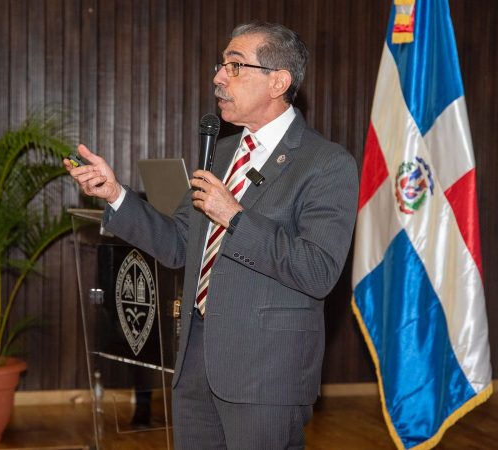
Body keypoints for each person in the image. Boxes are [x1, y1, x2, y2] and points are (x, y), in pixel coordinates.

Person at [65, 22, 358, 450]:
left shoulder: (326, 164)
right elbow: (179, 243)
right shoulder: (222, 152)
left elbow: (317, 271)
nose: (218, 78)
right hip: (197, 361)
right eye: (221, 65)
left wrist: (235, 218)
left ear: (279, 81)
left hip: (265, 373)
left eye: (235, 66)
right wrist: (115, 194)